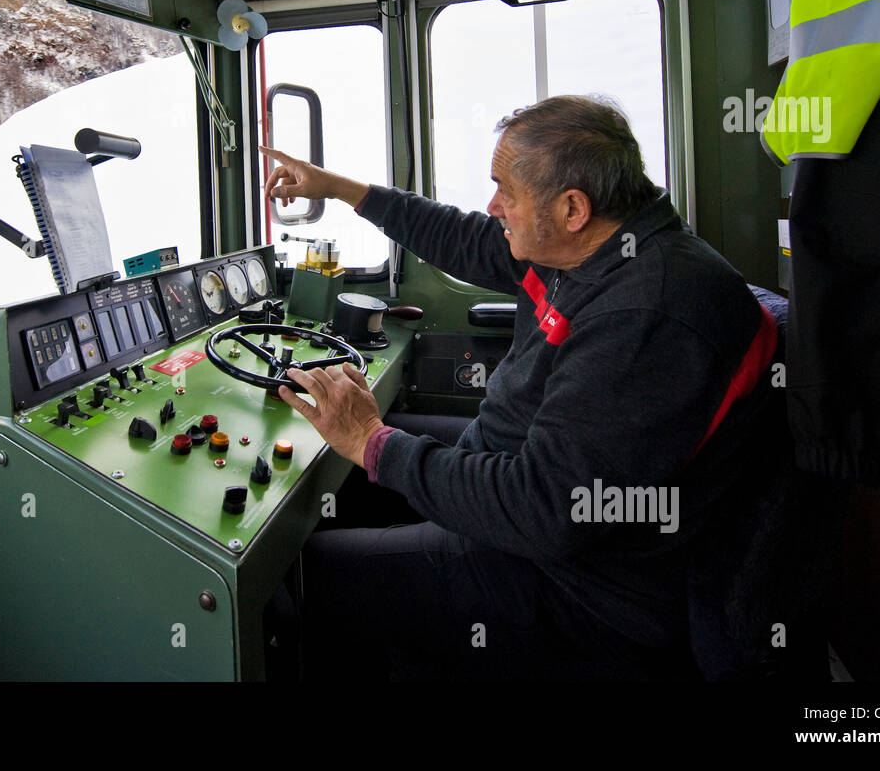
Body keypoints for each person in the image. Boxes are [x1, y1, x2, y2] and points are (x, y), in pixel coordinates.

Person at [260, 94, 778, 680]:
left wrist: (374, 441)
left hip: (582, 586)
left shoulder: (645, 313)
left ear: (572, 208)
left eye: (506, 190)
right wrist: (339, 189)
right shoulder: (588, 245)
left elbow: (543, 512)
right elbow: (461, 237)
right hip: (518, 474)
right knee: (342, 470)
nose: (493, 206)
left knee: (303, 574)